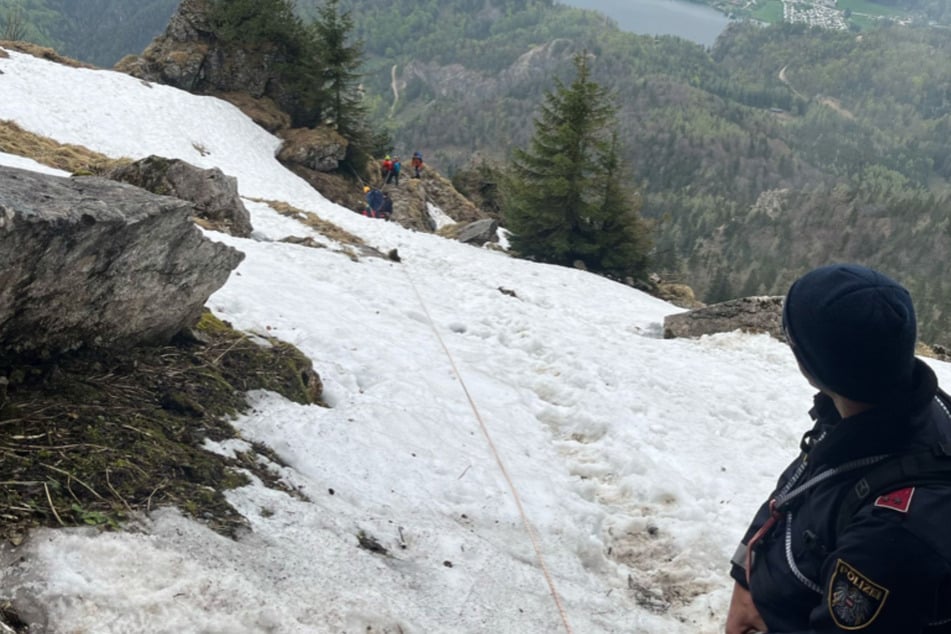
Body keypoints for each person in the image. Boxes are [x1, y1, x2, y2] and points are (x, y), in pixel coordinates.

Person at [726, 263, 951, 634]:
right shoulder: (874, 402)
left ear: (810, 366)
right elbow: (797, 488)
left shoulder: (895, 534)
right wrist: (745, 578)